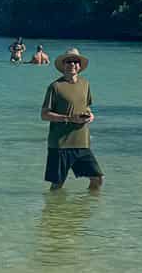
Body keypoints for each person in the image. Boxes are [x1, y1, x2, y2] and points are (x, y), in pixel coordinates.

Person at [40, 48, 102, 191]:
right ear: (63, 66)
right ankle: (53, 213)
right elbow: (44, 115)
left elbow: (86, 108)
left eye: (75, 61)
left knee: (97, 179)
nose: (72, 64)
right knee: (57, 184)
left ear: (79, 66)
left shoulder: (85, 84)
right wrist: (69, 118)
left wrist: (91, 115)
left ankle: (86, 210)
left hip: (82, 143)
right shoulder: (55, 87)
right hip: (60, 144)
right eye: (68, 61)